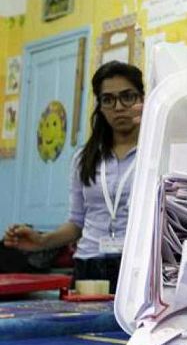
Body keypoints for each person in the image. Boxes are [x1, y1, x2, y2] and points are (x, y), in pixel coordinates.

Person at [4, 61, 144, 294]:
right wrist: (40, 241)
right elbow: (77, 222)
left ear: (142, 99)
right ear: (100, 106)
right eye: (108, 99)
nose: (119, 107)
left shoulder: (156, 152)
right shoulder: (85, 157)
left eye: (127, 96)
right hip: (89, 264)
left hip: (138, 264)